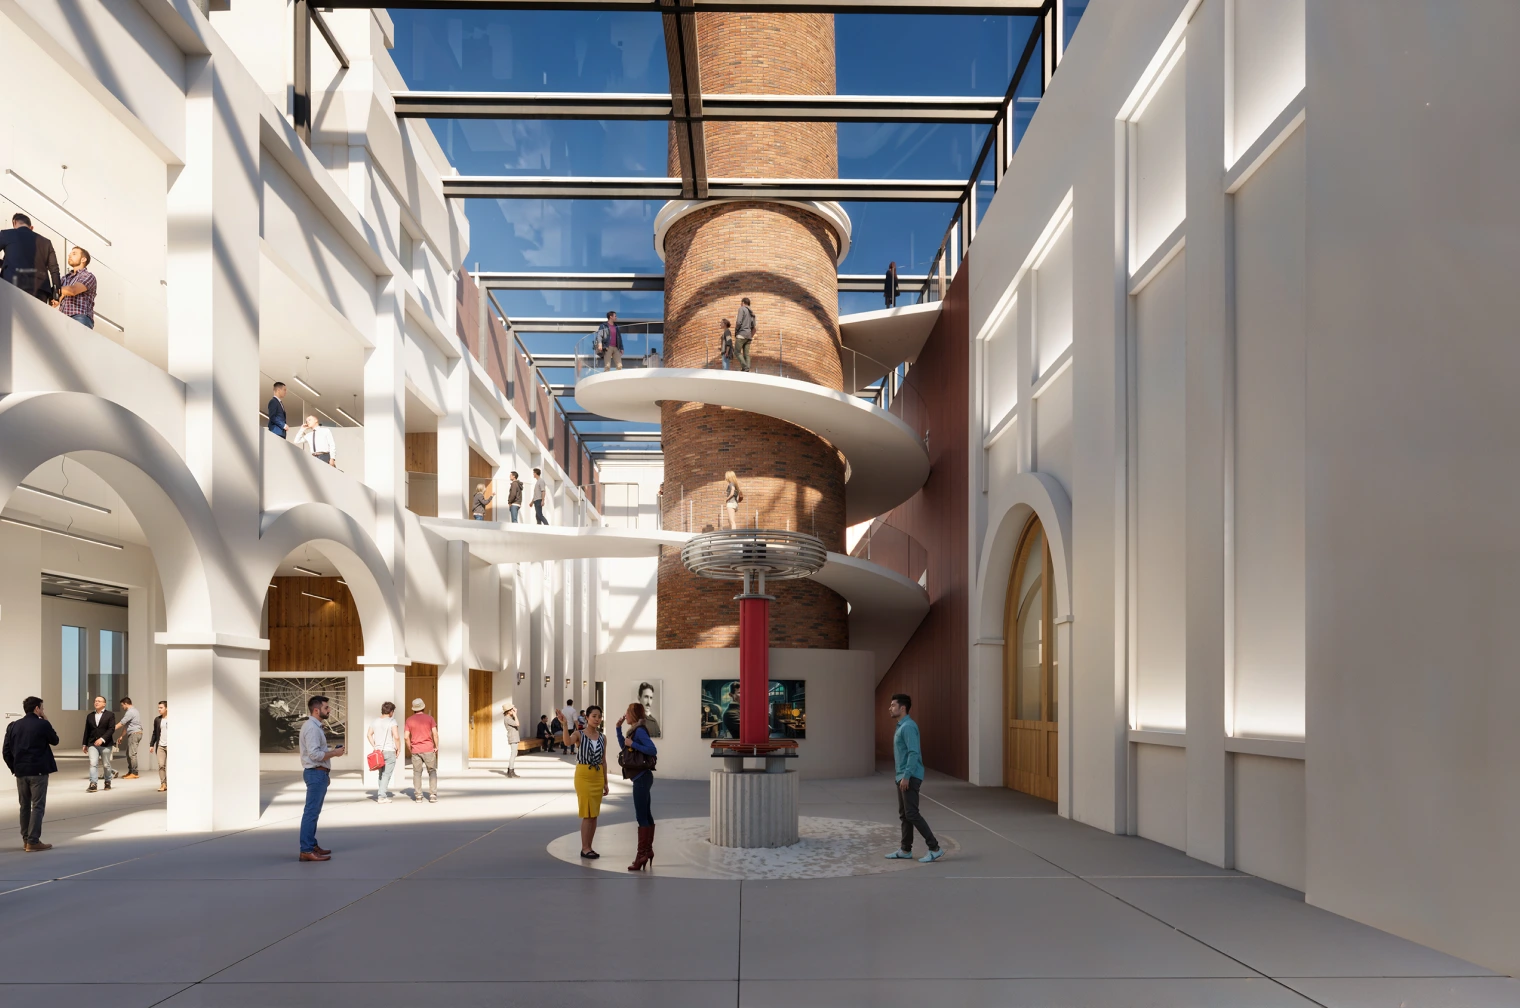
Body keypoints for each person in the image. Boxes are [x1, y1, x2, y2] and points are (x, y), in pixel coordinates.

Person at [885, 693, 943, 863]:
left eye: (893, 705)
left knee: (912, 813)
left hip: (909, 776)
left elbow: (913, 753)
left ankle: (935, 848)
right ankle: (905, 849)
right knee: (905, 814)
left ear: (902, 708)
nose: (890, 708)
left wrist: (906, 776)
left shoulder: (908, 727)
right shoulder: (901, 726)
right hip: (902, 776)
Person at [3, 696, 58, 852]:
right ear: (37, 709)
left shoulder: (13, 726)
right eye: (42, 708)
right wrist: (46, 719)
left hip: (21, 772)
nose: (43, 711)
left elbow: (6, 751)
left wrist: (15, 768)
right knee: (38, 806)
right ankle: (33, 841)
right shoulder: (43, 724)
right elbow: (55, 740)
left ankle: (26, 840)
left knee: (24, 806)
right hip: (38, 771)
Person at [298, 694, 345, 862]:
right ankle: (306, 850)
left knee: (313, 812)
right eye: (326, 708)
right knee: (311, 813)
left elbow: (316, 753)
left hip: (318, 773)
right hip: (315, 773)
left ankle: (311, 845)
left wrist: (325, 772)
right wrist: (334, 753)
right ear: (316, 710)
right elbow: (315, 755)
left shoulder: (314, 726)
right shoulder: (312, 728)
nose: (329, 710)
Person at [616, 703, 658, 871]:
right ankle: (648, 851)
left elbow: (652, 750)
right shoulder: (633, 730)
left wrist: (633, 744)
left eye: (627, 712)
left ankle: (641, 855)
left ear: (633, 714)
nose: (625, 714)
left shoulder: (639, 731)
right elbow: (624, 747)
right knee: (646, 815)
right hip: (642, 778)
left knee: (641, 817)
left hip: (641, 778)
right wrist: (618, 729)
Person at [567, 705, 609, 859]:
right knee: (587, 813)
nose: (597, 719)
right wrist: (564, 725)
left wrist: (605, 782)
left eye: (599, 716)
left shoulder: (603, 737)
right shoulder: (579, 734)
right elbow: (567, 742)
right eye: (594, 716)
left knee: (594, 814)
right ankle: (585, 848)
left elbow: (603, 761)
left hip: (597, 776)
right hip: (583, 775)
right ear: (587, 717)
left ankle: (589, 846)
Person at [0, 214, 61, 302]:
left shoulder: (7, 234)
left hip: (12, 284)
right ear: (31, 227)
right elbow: (54, 268)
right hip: (40, 289)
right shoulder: (46, 242)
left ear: (14, 222)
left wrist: (5, 264)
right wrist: (56, 293)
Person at [51, 246, 97, 328]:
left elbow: (72, 290)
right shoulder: (65, 278)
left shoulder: (88, 276)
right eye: (70, 254)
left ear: (83, 259)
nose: (69, 255)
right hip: (63, 319)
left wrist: (54, 289)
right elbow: (58, 298)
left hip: (80, 317)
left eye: (74, 254)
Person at [404, 697, 439, 803]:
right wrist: (436, 746)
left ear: (413, 708)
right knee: (432, 771)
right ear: (423, 707)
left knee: (417, 773)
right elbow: (435, 734)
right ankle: (432, 795)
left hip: (416, 750)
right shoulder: (430, 719)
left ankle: (418, 796)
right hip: (428, 749)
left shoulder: (409, 720)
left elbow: (406, 737)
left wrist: (410, 748)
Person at [367, 701, 401, 803]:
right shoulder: (392, 721)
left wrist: (375, 746)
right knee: (386, 775)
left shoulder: (375, 721)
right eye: (393, 711)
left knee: (381, 774)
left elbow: (369, 734)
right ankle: (382, 796)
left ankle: (381, 794)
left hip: (378, 752)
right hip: (389, 751)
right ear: (391, 711)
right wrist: (398, 748)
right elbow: (396, 737)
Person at [81, 695, 116, 792]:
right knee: (93, 763)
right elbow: (87, 730)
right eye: (95, 701)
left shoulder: (110, 715)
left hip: (106, 744)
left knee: (106, 764)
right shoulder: (90, 716)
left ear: (104, 704)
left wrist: (102, 739)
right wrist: (84, 744)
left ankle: (107, 781)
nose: (96, 702)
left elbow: (111, 729)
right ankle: (93, 783)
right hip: (92, 743)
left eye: (99, 701)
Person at [116, 697, 143, 779]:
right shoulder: (133, 711)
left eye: (122, 705)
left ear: (126, 703)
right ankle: (131, 771)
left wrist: (110, 729)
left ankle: (135, 773)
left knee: (132, 754)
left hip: (134, 734)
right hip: (133, 733)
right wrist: (121, 736)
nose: (122, 707)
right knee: (128, 754)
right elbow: (126, 726)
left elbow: (122, 723)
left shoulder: (130, 712)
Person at [148, 701, 168, 792]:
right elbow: (154, 733)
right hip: (160, 745)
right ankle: (163, 784)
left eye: (161, 707)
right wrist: (152, 744)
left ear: (166, 708)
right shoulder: (157, 719)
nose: (159, 709)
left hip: (171, 745)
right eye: (158, 708)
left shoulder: (173, 719)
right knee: (161, 765)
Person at [734, 297, 755, 372]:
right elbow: (754, 326)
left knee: (737, 352)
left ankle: (745, 367)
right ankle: (747, 369)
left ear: (743, 303)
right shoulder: (752, 313)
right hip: (748, 336)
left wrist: (736, 331)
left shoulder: (742, 309)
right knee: (746, 354)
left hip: (741, 334)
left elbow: (738, 322)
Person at [501, 704, 520, 777]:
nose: (513, 710)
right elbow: (517, 724)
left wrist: (515, 713)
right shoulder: (507, 719)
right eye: (512, 709)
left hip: (514, 737)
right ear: (508, 711)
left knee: (514, 753)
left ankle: (510, 770)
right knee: (513, 754)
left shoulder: (509, 717)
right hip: (513, 737)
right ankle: (511, 771)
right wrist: (515, 715)